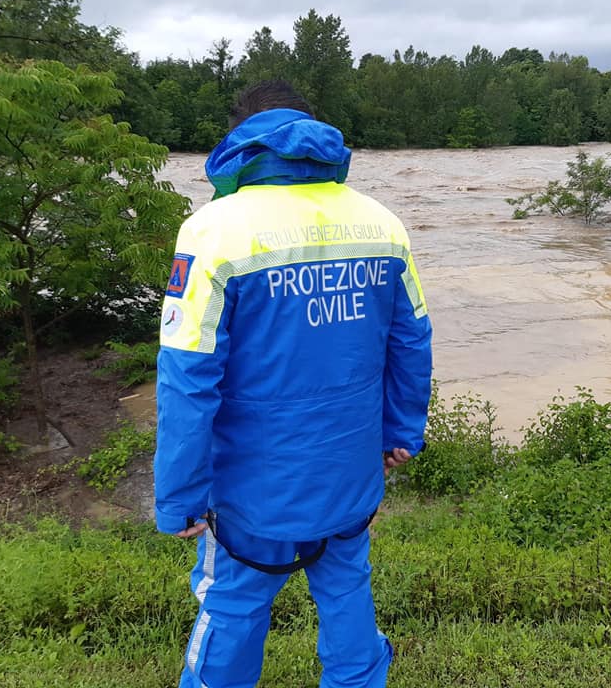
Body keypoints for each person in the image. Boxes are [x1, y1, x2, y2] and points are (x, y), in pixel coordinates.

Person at [153, 79, 433, 688]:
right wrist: (401, 433)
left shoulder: (211, 232)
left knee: (232, 605)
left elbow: (186, 379)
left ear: (240, 136)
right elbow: (411, 341)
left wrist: (179, 494)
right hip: (349, 470)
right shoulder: (383, 225)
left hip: (254, 487)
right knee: (347, 593)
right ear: (314, 134)